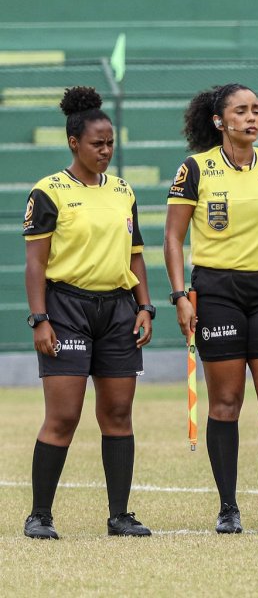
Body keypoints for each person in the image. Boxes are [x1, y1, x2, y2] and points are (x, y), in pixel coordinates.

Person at [163, 83, 258, 533]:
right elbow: (173, 237)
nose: (252, 118)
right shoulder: (196, 169)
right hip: (217, 294)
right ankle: (228, 508)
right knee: (226, 403)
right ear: (219, 121)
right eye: (242, 111)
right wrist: (178, 296)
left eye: (257, 111)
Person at [21, 86, 154, 540]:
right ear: (74, 142)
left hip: (118, 309)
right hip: (66, 309)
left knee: (118, 414)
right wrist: (40, 319)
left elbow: (136, 254)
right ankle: (40, 515)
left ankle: (120, 515)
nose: (106, 150)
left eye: (111, 142)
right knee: (64, 416)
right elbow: (36, 263)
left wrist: (145, 307)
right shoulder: (48, 192)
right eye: (97, 143)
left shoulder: (123, 190)